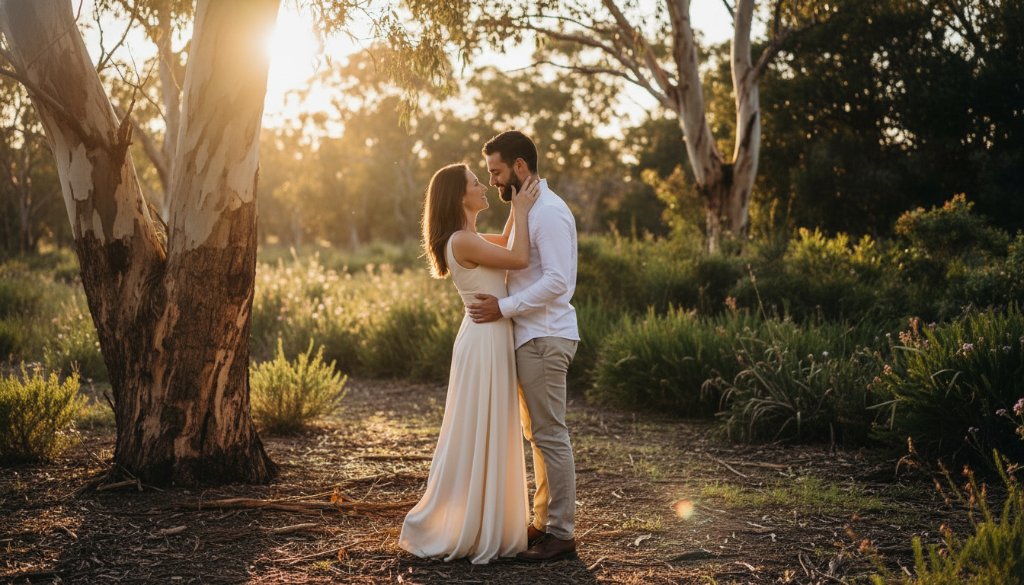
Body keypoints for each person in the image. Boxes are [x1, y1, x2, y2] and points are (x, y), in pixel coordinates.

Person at [399, 162, 541, 564]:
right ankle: (470, 523)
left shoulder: (470, 237)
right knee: (480, 427)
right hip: (483, 341)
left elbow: (509, 241)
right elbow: (518, 256)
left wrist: (517, 202)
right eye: (476, 183)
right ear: (459, 196)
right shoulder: (461, 240)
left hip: (489, 337)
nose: (483, 186)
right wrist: (525, 209)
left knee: (489, 425)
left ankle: (486, 518)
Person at [468, 130, 581, 562]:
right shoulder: (527, 208)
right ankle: (543, 522)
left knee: (550, 435)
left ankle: (563, 534)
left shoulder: (548, 212)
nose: (492, 181)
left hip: (545, 335)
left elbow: (558, 281)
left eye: (496, 172)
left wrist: (504, 307)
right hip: (530, 336)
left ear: (519, 167)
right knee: (537, 435)